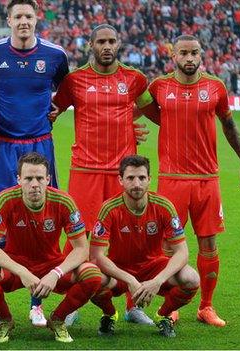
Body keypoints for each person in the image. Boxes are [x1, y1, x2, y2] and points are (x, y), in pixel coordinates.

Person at [52, 24, 158, 325]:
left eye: (112, 41)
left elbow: (153, 112)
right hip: (85, 169)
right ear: (91, 45)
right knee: (77, 238)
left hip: (123, 173)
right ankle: (72, 304)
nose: (107, 46)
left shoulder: (135, 80)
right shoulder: (74, 81)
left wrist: (132, 122)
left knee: (128, 239)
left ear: (119, 43)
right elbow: (51, 111)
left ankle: (133, 305)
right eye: (101, 41)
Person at [149, 35, 240, 326]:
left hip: (208, 179)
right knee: (168, 246)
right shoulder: (159, 86)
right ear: (174, 57)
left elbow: (229, 125)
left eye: (194, 52)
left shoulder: (215, 87)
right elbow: (139, 109)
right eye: (184, 53)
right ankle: (171, 304)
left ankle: (206, 307)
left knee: (208, 243)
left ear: (202, 54)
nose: (190, 58)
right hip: (172, 179)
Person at [0, 0, 69, 327]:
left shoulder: (55, 55)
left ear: (36, 19)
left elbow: (64, 89)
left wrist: (55, 108)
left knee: (42, 225)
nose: (23, 22)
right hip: (4, 148)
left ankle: (37, 304)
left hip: (40, 145)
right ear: (9, 20)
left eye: (28, 16)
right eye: (17, 16)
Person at [0, 152, 102, 343]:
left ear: (48, 179)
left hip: (51, 265)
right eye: (28, 178)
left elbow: (82, 249)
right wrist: (21, 271)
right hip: (15, 266)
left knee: (92, 274)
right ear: (18, 179)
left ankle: (58, 319)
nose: (34, 184)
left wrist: (56, 273)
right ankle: (5, 320)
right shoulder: (5, 199)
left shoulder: (63, 201)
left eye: (40, 178)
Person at [90, 155, 200, 337]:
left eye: (141, 178)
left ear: (149, 179)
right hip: (119, 269)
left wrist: (158, 280)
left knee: (191, 279)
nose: (136, 184)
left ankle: (163, 316)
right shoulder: (109, 208)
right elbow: (97, 256)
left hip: (153, 268)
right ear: (120, 180)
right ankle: (109, 314)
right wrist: (130, 280)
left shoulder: (164, 206)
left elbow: (182, 253)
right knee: (92, 277)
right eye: (130, 178)